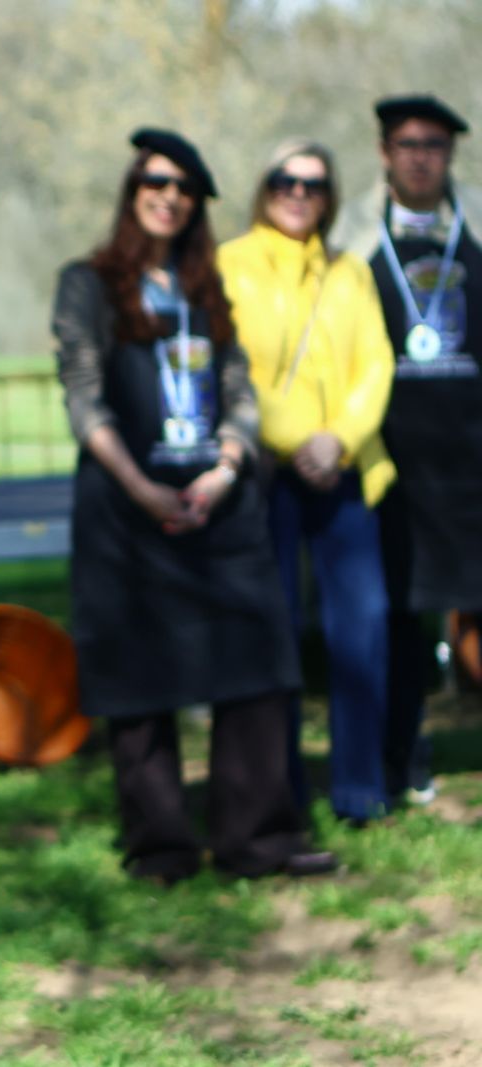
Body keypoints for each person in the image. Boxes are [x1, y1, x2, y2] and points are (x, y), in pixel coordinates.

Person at [53, 128, 335, 885]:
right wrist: (141, 486)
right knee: (137, 677)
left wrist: (227, 467)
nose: (169, 197)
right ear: (132, 191)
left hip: (218, 501)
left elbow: (239, 389)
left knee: (255, 660)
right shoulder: (87, 283)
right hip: (126, 506)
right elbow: (83, 396)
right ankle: (162, 847)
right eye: (155, 182)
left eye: (183, 188)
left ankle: (257, 838)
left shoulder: (207, 286)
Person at [218, 140, 396, 825]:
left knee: (362, 626)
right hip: (267, 474)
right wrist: (296, 440)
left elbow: (376, 363)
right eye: (285, 180)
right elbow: (233, 369)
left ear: (330, 197)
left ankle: (360, 787)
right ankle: (279, 788)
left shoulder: (350, 272)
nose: (298, 193)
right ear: (264, 188)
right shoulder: (230, 265)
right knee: (276, 629)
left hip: (345, 469)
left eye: (314, 185)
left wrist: (339, 438)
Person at [334, 94, 482, 806]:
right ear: (384, 152)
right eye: (407, 144)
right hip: (392, 463)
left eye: (434, 144)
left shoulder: (474, 224)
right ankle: (402, 757)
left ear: (451, 154)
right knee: (398, 618)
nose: (421, 157)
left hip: (474, 459)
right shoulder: (353, 233)